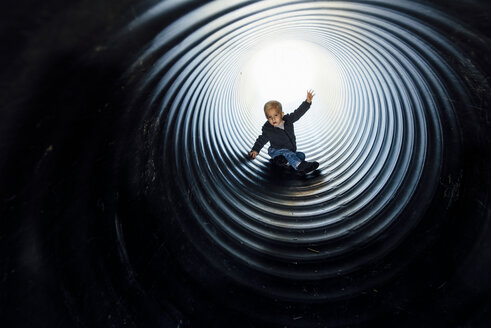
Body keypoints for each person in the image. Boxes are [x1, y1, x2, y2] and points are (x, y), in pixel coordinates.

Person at [248, 90, 319, 174]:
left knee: (301, 155)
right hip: (276, 151)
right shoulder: (269, 129)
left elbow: (298, 113)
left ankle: (283, 162)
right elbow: (261, 140)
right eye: (270, 117)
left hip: (289, 151)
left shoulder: (288, 120)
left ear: (282, 114)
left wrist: (307, 102)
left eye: (275, 115)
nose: (273, 119)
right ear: (267, 119)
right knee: (288, 153)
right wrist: (255, 150)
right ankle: (299, 165)